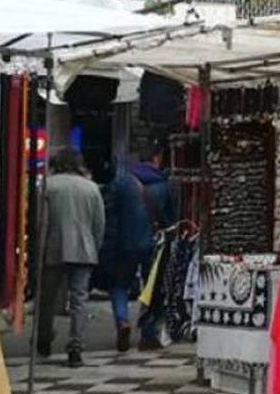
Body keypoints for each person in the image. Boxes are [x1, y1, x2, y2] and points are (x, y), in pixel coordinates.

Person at [102, 142, 180, 351]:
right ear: (157, 159)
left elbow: (111, 217)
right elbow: (171, 220)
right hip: (154, 245)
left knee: (119, 285)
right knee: (152, 288)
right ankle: (148, 333)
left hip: (125, 244)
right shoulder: (164, 185)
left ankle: (122, 320)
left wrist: (109, 246)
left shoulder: (123, 183)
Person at [40, 148, 105, 368]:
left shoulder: (48, 186)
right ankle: (75, 347)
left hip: (54, 248)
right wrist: (94, 246)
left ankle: (44, 338)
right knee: (79, 299)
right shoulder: (92, 188)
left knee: (47, 297)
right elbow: (99, 224)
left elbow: (41, 221)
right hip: (84, 249)